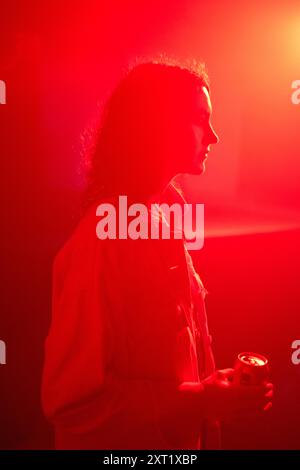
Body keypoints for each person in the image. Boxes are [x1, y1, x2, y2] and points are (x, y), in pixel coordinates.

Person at [41, 60, 273, 449]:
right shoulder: (101, 244)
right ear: (157, 125)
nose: (213, 137)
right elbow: (70, 404)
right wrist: (200, 399)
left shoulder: (165, 220)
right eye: (201, 119)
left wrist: (216, 394)